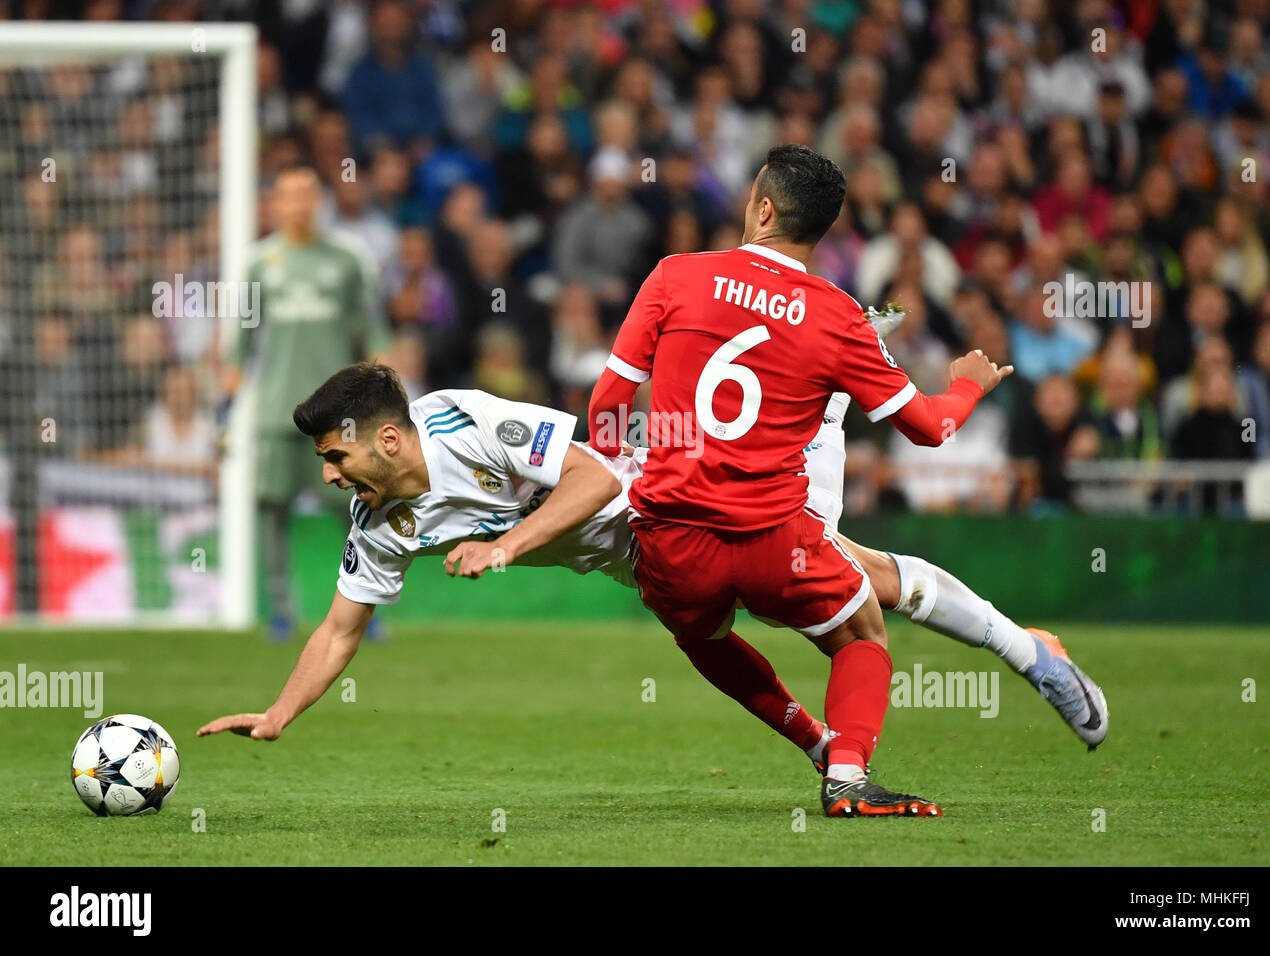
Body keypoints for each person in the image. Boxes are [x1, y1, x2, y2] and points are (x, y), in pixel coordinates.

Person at [196, 364, 1107, 787]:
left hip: (681, 495)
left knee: (852, 579)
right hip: (649, 562)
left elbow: (594, 472)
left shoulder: (468, 425)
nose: (327, 475)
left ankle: (1025, 650)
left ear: (387, 437)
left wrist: (509, 546)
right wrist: (280, 714)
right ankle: (835, 746)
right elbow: (339, 626)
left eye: (333, 455)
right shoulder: (378, 515)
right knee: (714, 637)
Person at [585, 144, 1108, 817]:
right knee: (864, 627)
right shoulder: (838, 315)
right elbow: (928, 428)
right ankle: (852, 771)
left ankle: (1015, 661)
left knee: (703, 634)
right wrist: (968, 388)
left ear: (764, 208)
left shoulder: (675, 276)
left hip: (674, 536)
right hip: (776, 537)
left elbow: (606, 406)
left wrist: (631, 470)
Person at [225, 163, 389, 640]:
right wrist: (225, 405)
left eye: (306, 194)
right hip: (277, 411)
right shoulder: (259, 263)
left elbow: (371, 332)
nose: (297, 204)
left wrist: (388, 400)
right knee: (273, 508)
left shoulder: (346, 259)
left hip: (339, 418)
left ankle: (363, 609)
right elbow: (241, 343)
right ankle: (280, 611)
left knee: (355, 509)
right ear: (274, 204)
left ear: (318, 201)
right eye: (287, 195)